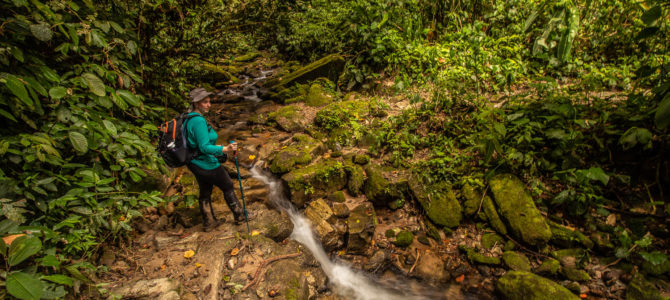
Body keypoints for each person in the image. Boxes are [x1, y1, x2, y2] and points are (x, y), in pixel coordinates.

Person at [184, 87, 251, 232]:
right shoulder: (198, 121)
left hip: (194, 163)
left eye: (209, 102)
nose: (209, 105)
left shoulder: (188, 118)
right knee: (227, 185)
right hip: (206, 163)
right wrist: (224, 149)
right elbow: (204, 147)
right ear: (196, 103)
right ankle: (240, 216)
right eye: (205, 102)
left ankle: (209, 222)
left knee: (205, 190)